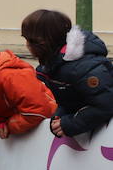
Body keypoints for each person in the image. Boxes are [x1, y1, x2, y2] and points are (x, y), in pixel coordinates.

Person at [20, 9, 113, 137]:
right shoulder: (51, 68)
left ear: (43, 41)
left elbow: (105, 105)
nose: (27, 45)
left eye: (29, 40)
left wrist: (70, 124)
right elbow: (69, 102)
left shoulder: (84, 67)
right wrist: (59, 118)